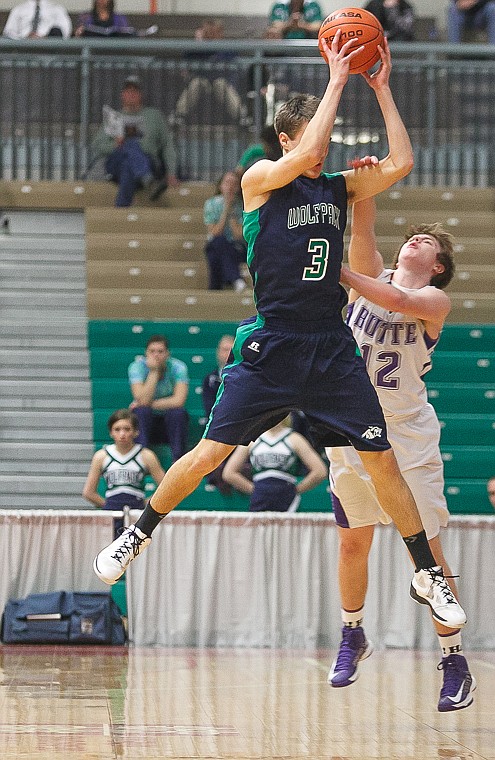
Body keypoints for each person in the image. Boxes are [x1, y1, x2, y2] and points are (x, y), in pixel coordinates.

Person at [93, 33, 467, 642]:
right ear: (289, 139)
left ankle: (428, 572)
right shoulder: (261, 179)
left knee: (382, 460)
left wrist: (381, 87)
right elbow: (311, 148)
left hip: (329, 347)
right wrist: (338, 78)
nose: (323, 153)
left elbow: (400, 164)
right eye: (312, 142)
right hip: (272, 343)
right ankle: (140, 530)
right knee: (210, 454)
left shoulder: (336, 186)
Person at [326, 190, 474, 711]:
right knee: (352, 544)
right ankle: (352, 634)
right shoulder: (374, 276)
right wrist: (364, 182)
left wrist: (334, 272)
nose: (416, 239)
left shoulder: (435, 302)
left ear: (437, 266)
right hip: (350, 431)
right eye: (413, 235)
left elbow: (398, 303)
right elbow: (361, 232)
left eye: (427, 242)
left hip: (407, 437)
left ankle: (454, 661)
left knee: (429, 557)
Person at [88, 76, 179, 207]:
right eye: (128, 91)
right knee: (129, 145)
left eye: (134, 91)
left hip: (147, 161)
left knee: (128, 165)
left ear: (140, 94)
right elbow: (97, 144)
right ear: (122, 95)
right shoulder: (114, 117)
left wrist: (171, 172)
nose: (131, 94)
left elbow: (168, 145)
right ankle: (148, 180)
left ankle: (121, 209)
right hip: (116, 162)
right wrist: (115, 144)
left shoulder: (154, 115)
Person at [83, 408, 165, 536]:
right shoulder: (101, 456)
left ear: (136, 431)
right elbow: (88, 492)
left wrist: (146, 503)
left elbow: (165, 487)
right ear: (111, 432)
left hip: (137, 512)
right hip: (111, 513)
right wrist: (108, 505)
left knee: (137, 549)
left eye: (127, 429)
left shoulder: (146, 455)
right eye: (117, 429)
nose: (122, 434)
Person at [223, 417, 327, 512]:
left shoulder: (294, 438)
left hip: (287, 498)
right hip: (259, 497)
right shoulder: (252, 438)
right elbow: (229, 473)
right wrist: (254, 490)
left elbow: (320, 471)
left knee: (287, 531)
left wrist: (296, 490)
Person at [128, 335, 189, 463]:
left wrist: (146, 403)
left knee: (178, 413)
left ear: (168, 354)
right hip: (146, 423)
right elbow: (142, 401)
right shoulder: (136, 367)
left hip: (169, 423)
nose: (156, 355)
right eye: (152, 351)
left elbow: (179, 401)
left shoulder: (178, 367)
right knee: (141, 412)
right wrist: (154, 371)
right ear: (146, 353)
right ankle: (141, 460)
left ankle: (177, 461)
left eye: (160, 351)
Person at [174, 19, 244, 126]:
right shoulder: (198, 48)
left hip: (222, 82)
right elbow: (186, 58)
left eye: (213, 32)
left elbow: (231, 66)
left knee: (221, 84)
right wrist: (198, 42)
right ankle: (178, 115)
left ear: (220, 33)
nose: (210, 35)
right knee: (197, 83)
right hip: (203, 81)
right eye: (208, 32)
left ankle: (242, 116)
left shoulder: (228, 48)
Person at [201, 334, 236, 494]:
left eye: (231, 349)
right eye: (224, 349)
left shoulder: (246, 377)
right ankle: (216, 472)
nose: (227, 353)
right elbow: (210, 408)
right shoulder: (210, 379)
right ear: (218, 353)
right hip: (219, 423)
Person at [203, 171, 247, 292]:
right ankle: (236, 279)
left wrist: (231, 210)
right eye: (227, 183)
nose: (230, 187)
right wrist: (226, 209)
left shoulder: (244, 206)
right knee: (217, 243)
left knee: (215, 254)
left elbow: (238, 235)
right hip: (217, 244)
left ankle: (214, 289)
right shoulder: (211, 204)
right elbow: (215, 232)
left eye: (234, 184)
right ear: (221, 186)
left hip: (237, 247)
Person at [3, 0, 71, 38]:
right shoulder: (18, 9)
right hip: (23, 49)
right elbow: (8, 32)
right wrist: (24, 38)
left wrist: (45, 38)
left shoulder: (57, 9)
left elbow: (65, 32)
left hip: (50, 50)